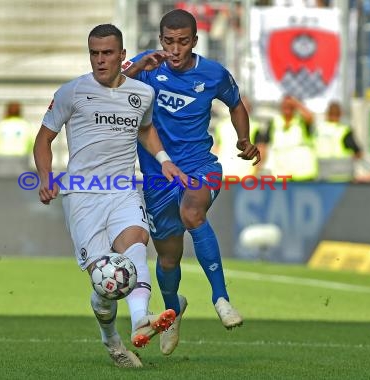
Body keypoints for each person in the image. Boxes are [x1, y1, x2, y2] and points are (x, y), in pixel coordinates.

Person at [34, 24, 189, 368]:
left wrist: (164, 161)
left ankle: (141, 322)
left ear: (122, 55)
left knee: (136, 245)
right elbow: (43, 139)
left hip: (122, 190)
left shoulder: (141, 94)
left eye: (107, 53)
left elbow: (146, 129)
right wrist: (46, 177)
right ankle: (113, 342)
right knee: (106, 283)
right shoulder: (72, 92)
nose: (100, 60)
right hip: (82, 197)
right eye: (94, 53)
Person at [122, 9, 261, 356]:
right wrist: (139, 68)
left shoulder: (212, 73)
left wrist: (243, 139)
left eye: (183, 42)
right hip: (157, 176)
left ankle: (221, 299)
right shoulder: (147, 66)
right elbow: (111, 85)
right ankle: (173, 310)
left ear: (194, 42)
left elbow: (236, 103)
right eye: (169, 41)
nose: (175, 48)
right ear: (160, 40)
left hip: (200, 167)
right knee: (168, 259)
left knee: (192, 213)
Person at [255, 94, 317, 181]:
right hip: (282, 175)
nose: (287, 108)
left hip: (303, 174)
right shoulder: (274, 122)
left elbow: (310, 117)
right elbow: (262, 145)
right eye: (285, 105)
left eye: (290, 106)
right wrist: (258, 167)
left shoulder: (302, 121)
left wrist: (296, 103)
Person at [313, 101, 362, 181]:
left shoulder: (319, 129)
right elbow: (358, 153)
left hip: (322, 174)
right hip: (342, 175)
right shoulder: (344, 130)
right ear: (340, 114)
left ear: (327, 113)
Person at [0, 101, 34, 177]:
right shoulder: (28, 126)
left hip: (1, 158)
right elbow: (32, 144)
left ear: (6, 111)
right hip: (21, 158)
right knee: (20, 185)